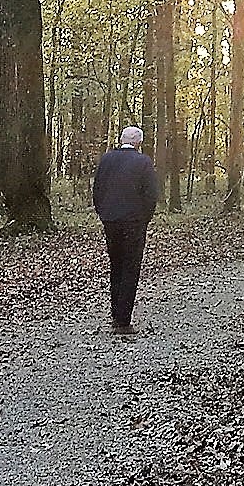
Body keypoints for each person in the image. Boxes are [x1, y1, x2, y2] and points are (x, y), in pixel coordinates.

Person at [92, 126, 158, 335]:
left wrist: (103, 213)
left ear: (122, 140)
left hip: (110, 220)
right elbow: (151, 195)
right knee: (130, 268)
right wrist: (144, 218)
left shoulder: (107, 159)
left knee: (116, 266)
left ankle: (116, 313)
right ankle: (123, 320)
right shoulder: (143, 162)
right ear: (138, 142)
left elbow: (97, 189)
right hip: (134, 222)